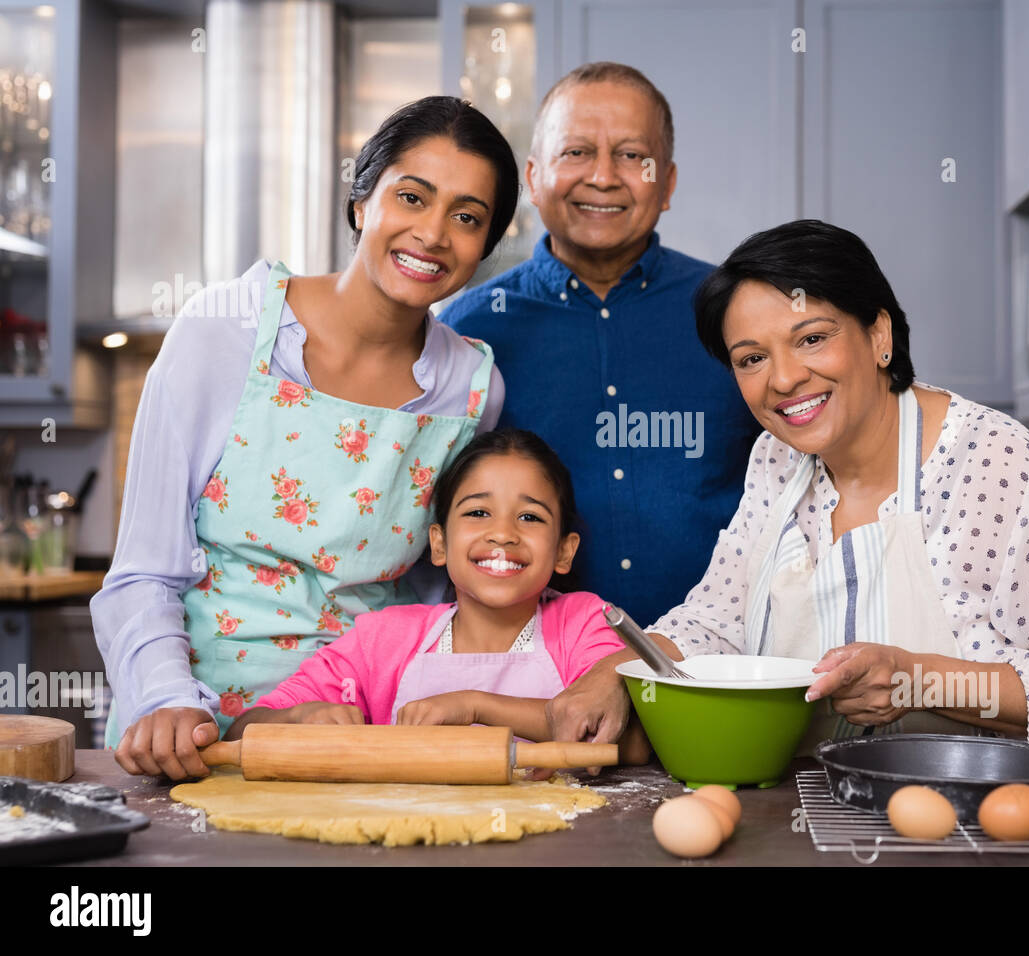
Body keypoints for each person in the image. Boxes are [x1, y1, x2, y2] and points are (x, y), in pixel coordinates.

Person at [556, 220, 1029, 759]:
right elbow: (718, 622)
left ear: (878, 332)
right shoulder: (777, 461)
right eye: (752, 357)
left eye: (812, 338)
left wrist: (921, 680)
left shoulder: (999, 467)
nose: (783, 379)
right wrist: (618, 669)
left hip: (965, 824)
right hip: (804, 819)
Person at [93, 96, 519, 780]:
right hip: (200, 739)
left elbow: (438, 593)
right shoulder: (224, 331)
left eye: (467, 218)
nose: (434, 234)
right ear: (361, 202)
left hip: (362, 735)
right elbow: (144, 570)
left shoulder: (471, 389)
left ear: (485, 247)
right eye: (411, 197)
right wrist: (169, 703)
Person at [442, 62, 759, 629]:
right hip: (534, 678)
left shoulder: (736, 312)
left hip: (723, 661)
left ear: (667, 183)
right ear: (535, 178)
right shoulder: (469, 326)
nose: (605, 176)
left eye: (633, 155)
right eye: (577, 152)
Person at [226, 429, 651, 765]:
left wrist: (475, 706)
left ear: (564, 550)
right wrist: (299, 719)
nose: (503, 533)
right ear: (439, 542)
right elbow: (242, 732)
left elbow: (631, 745)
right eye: (477, 512)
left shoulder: (584, 623)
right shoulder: (384, 640)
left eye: (529, 516)